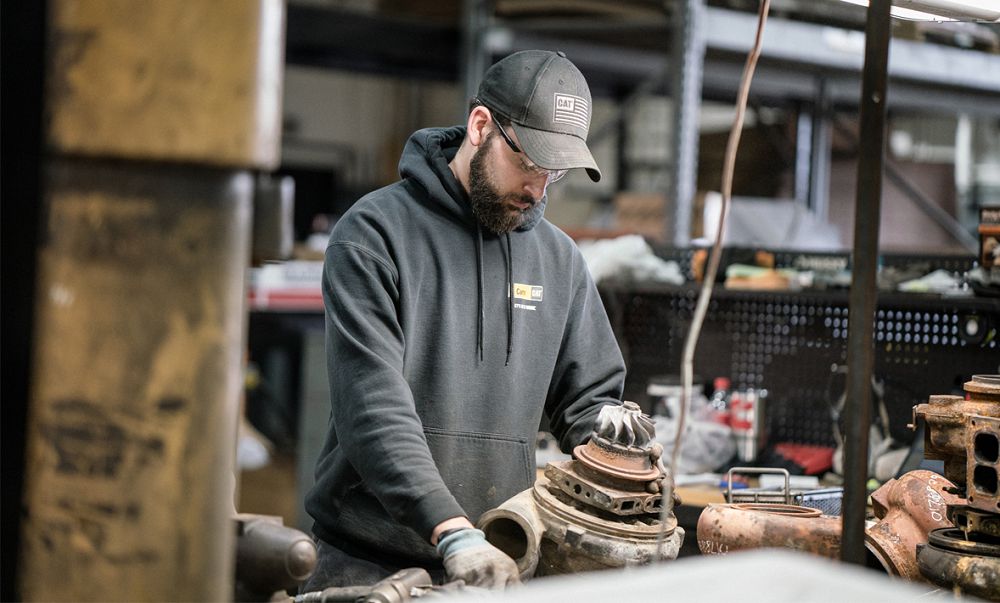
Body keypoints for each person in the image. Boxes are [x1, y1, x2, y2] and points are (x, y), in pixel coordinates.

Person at [302, 49, 626, 592]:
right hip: (367, 563)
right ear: (481, 127)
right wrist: (449, 530)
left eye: (555, 172)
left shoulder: (560, 260)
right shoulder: (375, 236)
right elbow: (373, 407)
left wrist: (611, 434)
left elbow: (586, 399)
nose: (538, 189)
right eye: (528, 163)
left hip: (497, 565)